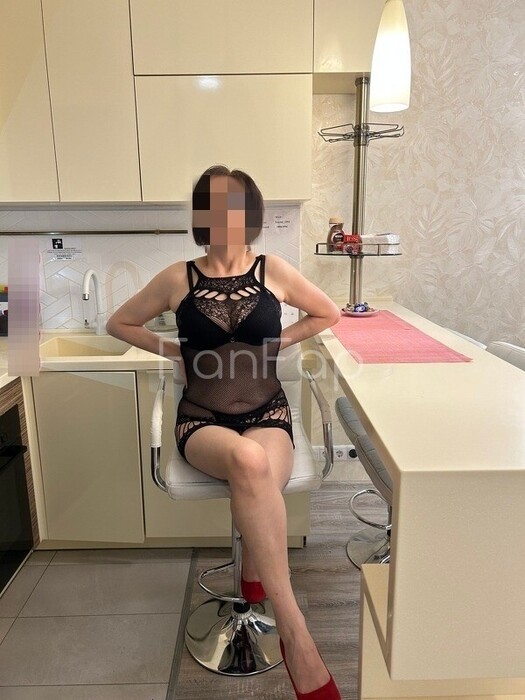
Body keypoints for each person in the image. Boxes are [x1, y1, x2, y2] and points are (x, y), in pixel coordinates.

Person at [106, 165, 342, 700]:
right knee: (250, 464)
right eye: (211, 205)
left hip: (268, 414)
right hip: (202, 419)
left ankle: (256, 576)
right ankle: (297, 634)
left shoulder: (273, 270)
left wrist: (279, 342)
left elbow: (327, 313)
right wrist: (174, 351)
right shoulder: (177, 278)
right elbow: (119, 323)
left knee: (254, 468)